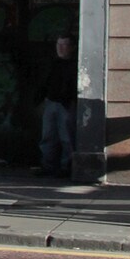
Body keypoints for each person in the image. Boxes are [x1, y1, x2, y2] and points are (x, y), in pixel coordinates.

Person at [37, 35, 76, 178]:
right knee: (48, 136)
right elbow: (45, 82)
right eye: (58, 44)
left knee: (67, 137)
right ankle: (48, 165)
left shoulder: (73, 65)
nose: (60, 48)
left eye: (64, 45)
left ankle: (67, 166)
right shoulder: (53, 64)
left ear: (71, 47)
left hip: (66, 104)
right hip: (52, 102)